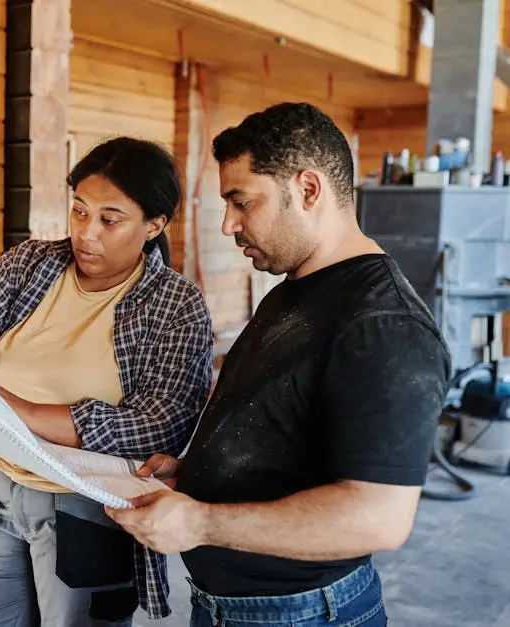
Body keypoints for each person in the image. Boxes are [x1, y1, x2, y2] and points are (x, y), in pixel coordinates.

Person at [106, 103, 452, 627]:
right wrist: (198, 475)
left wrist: (202, 522)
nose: (228, 224)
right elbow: (281, 427)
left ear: (309, 190)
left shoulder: (382, 325)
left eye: (241, 202)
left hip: (303, 614)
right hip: (232, 605)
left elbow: (378, 518)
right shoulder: (295, 289)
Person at [0, 136, 214, 627]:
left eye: (110, 219)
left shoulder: (176, 303)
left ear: (154, 225)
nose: (87, 233)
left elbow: (160, 424)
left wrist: (15, 410)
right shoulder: (30, 264)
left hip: (86, 510)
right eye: (80, 211)